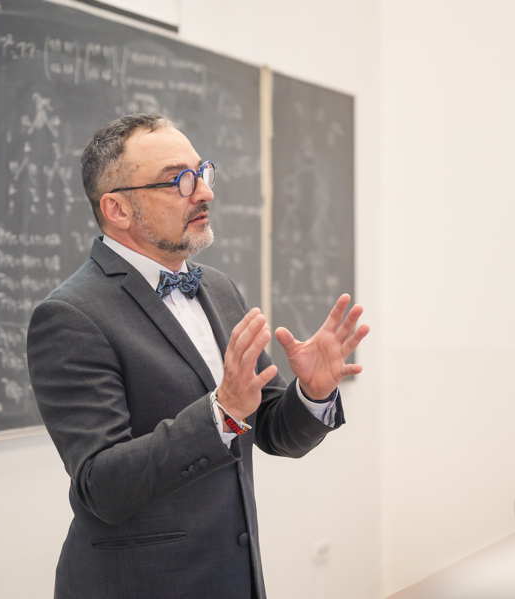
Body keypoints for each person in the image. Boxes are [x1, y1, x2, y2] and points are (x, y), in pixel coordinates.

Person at [27, 113, 369, 599]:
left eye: (202, 172)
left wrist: (312, 394)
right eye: (179, 180)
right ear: (117, 209)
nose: (204, 192)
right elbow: (102, 485)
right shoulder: (70, 315)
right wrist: (221, 413)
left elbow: (271, 431)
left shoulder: (218, 288)